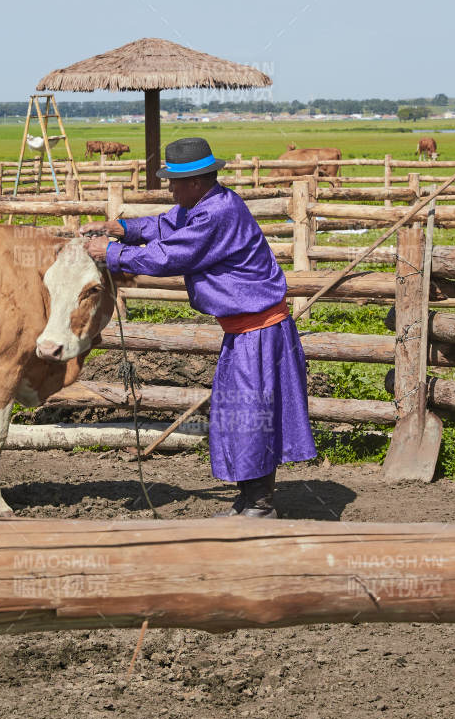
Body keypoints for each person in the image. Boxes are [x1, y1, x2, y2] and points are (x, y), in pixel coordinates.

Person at [83, 137, 316, 517]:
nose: (170, 188)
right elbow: (164, 225)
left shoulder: (216, 213)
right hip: (244, 330)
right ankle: (249, 500)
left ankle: (260, 505)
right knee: (237, 414)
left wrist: (110, 252)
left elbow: (173, 254)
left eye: (173, 182)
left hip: (258, 332)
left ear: (194, 181)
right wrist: (124, 228)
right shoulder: (206, 204)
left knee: (249, 415)